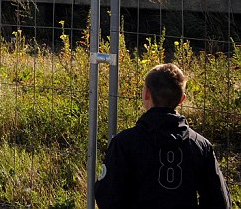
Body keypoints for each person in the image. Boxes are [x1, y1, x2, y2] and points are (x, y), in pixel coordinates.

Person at [94, 62, 231, 208]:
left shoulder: (124, 143)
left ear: (147, 94)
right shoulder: (200, 146)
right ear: (182, 99)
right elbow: (220, 201)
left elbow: (107, 197)